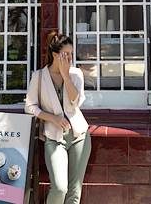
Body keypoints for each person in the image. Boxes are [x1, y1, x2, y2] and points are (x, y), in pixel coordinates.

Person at [24, 32, 90, 204]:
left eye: (71, 54)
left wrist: (66, 76)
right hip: (54, 138)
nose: (69, 58)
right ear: (54, 55)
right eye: (65, 54)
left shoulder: (76, 74)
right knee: (60, 188)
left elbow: (76, 102)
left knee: (74, 192)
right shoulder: (39, 77)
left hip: (79, 136)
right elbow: (29, 106)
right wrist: (51, 118)